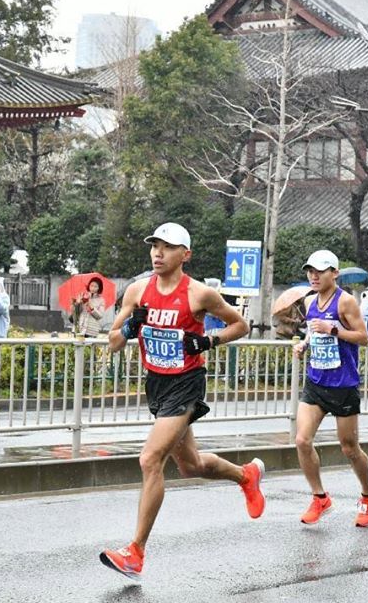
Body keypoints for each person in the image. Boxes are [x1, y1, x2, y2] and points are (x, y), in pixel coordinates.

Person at [99, 223, 261, 580]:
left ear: (184, 255)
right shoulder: (138, 291)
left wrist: (207, 342)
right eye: (154, 245)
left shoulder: (199, 294)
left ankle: (135, 552)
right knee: (190, 466)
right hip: (156, 383)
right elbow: (111, 341)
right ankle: (245, 475)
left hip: (187, 383)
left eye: (167, 247)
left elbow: (241, 325)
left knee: (150, 458)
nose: (158, 253)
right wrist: (127, 330)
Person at [290, 249, 368, 528]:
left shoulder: (346, 302)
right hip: (316, 381)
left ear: (334, 273)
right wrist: (305, 343)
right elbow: (313, 330)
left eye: (320, 271)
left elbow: (363, 338)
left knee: (349, 448)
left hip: (343, 385)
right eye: (310, 271)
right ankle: (320, 497)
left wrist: (334, 330)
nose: (313, 276)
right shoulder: (309, 300)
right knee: (302, 440)